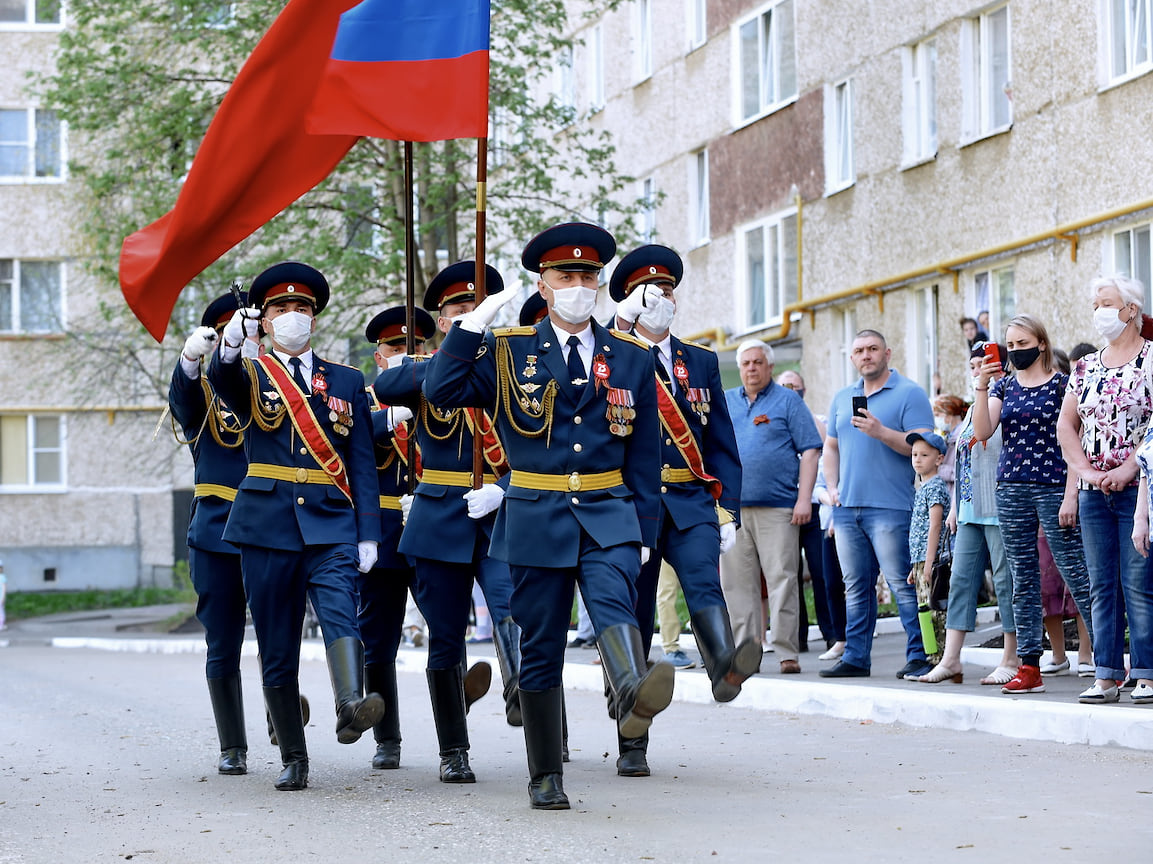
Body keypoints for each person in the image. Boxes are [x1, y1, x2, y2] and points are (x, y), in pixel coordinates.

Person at [422, 222, 673, 810]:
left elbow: (644, 452)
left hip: (608, 509)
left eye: (589, 276)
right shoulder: (509, 350)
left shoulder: (630, 357)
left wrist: (643, 532)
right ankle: (544, 774)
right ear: (545, 282)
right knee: (540, 643)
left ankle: (633, 692)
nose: (579, 285)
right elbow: (439, 389)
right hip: (535, 511)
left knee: (613, 600)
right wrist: (471, 326)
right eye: (567, 276)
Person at [208, 261, 385, 791]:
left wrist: (369, 532)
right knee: (276, 641)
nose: (292, 316)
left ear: (315, 317)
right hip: (266, 524)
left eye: (301, 308)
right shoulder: (251, 371)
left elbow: (360, 463)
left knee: (340, 612)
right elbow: (222, 383)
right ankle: (293, 753)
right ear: (264, 319)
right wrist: (229, 347)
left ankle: (351, 702)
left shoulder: (347, 380)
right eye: (281, 309)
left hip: (331, 521)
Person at [610, 243, 755, 777]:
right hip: (631, 505)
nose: (661, 299)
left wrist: (729, 509)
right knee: (634, 615)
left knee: (703, 581)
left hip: (691, 497)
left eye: (668, 290)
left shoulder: (699, 361)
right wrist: (619, 327)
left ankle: (724, 669)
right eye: (650, 292)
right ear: (630, 301)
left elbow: (719, 441)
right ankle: (631, 737)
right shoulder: (614, 355)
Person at [373, 261, 519, 783]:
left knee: (514, 610)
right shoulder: (426, 367)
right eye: (459, 310)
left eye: (479, 307)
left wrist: (501, 489)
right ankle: (452, 749)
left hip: (504, 510)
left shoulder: (519, 366)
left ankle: (523, 698)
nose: (469, 314)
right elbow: (387, 384)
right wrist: (458, 348)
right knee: (446, 639)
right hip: (440, 516)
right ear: (442, 321)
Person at [972, 313, 1093, 696]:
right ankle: (1029, 665)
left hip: (1055, 485)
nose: (1017, 352)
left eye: (1024, 344)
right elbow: (981, 432)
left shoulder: (1063, 384)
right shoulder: (1003, 387)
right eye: (1011, 345)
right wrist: (981, 386)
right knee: (1022, 580)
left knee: (1075, 571)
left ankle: (1106, 658)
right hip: (1011, 487)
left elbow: (1078, 440)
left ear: (1041, 344)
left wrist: (1072, 491)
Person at [169, 291, 255, 775]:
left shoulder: (282, 386)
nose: (241, 339)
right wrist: (188, 360)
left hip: (274, 528)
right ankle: (232, 745)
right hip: (217, 532)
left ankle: (279, 719)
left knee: (280, 635)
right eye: (230, 332)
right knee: (223, 641)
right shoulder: (205, 393)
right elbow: (181, 400)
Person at [1058, 275, 1153, 704]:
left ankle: (1146, 672)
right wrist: (1087, 475)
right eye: (1095, 304)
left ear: (1131, 310)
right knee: (1102, 584)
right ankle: (1107, 674)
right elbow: (1067, 425)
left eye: (1108, 303)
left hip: (1139, 490)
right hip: (1097, 490)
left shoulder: (1151, 359)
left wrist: (1132, 466)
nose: (1100, 312)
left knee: (1139, 581)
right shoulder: (1086, 366)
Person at [820, 329, 936, 679]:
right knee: (855, 587)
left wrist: (881, 431)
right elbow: (830, 446)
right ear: (852, 357)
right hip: (847, 508)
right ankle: (856, 657)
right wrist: (832, 487)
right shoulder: (843, 396)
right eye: (859, 350)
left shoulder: (910, 393)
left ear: (888, 353)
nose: (866, 355)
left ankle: (921, 653)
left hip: (892, 505)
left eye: (873, 349)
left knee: (903, 583)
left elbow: (924, 449)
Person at [912, 343, 1018, 686]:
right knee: (960, 580)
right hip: (971, 509)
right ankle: (951, 658)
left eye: (983, 363)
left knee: (1005, 583)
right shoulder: (974, 406)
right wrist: (957, 506)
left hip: (1000, 506)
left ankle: (1011, 656)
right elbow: (963, 462)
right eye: (972, 364)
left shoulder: (1010, 396)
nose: (977, 369)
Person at [358, 304, 435, 769]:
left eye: (415, 347)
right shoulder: (364, 399)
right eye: (395, 347)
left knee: (446, 629)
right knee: (380, 637)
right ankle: (387, 737)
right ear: (378, 355)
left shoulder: (442, 394)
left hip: (433, 529)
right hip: (385, 533)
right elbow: (337, 437)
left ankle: (455, 722)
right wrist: (386, 420)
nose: (406, 354)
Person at [719, 342, 819, 673]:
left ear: (770, 366)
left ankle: (787, 652)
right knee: (736, 584)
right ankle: (747, 653)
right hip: (731, 510)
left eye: (758, 362)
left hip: (778, 508)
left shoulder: (788, 401)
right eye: (746, 363)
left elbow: (810, 451)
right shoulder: (726, 401)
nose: (751, 368)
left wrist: (804, 498)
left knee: (783, 580)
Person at [779, 369, 835, 652]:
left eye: (795, 386)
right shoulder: (773, 420)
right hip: (783, 507)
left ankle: (831, 633)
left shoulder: (819, 419)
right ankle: (796, 637)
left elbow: (825, 443)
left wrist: (799, 409)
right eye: (784, 387)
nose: (790, 390)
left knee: (821, 571)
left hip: (814, 505)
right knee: (788, 575)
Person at [904, 431, 950, 672]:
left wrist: (929, 562)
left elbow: (935, 525)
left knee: (934, 610)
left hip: (931, 560)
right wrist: (916, 566)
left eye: (924, 454)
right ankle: (931, 656)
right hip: (920, 561)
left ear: (939, 459)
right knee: (924, 610)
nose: (917, 459)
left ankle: (940, 659)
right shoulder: (922, 487)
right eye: (914, 454)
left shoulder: (935, 488)